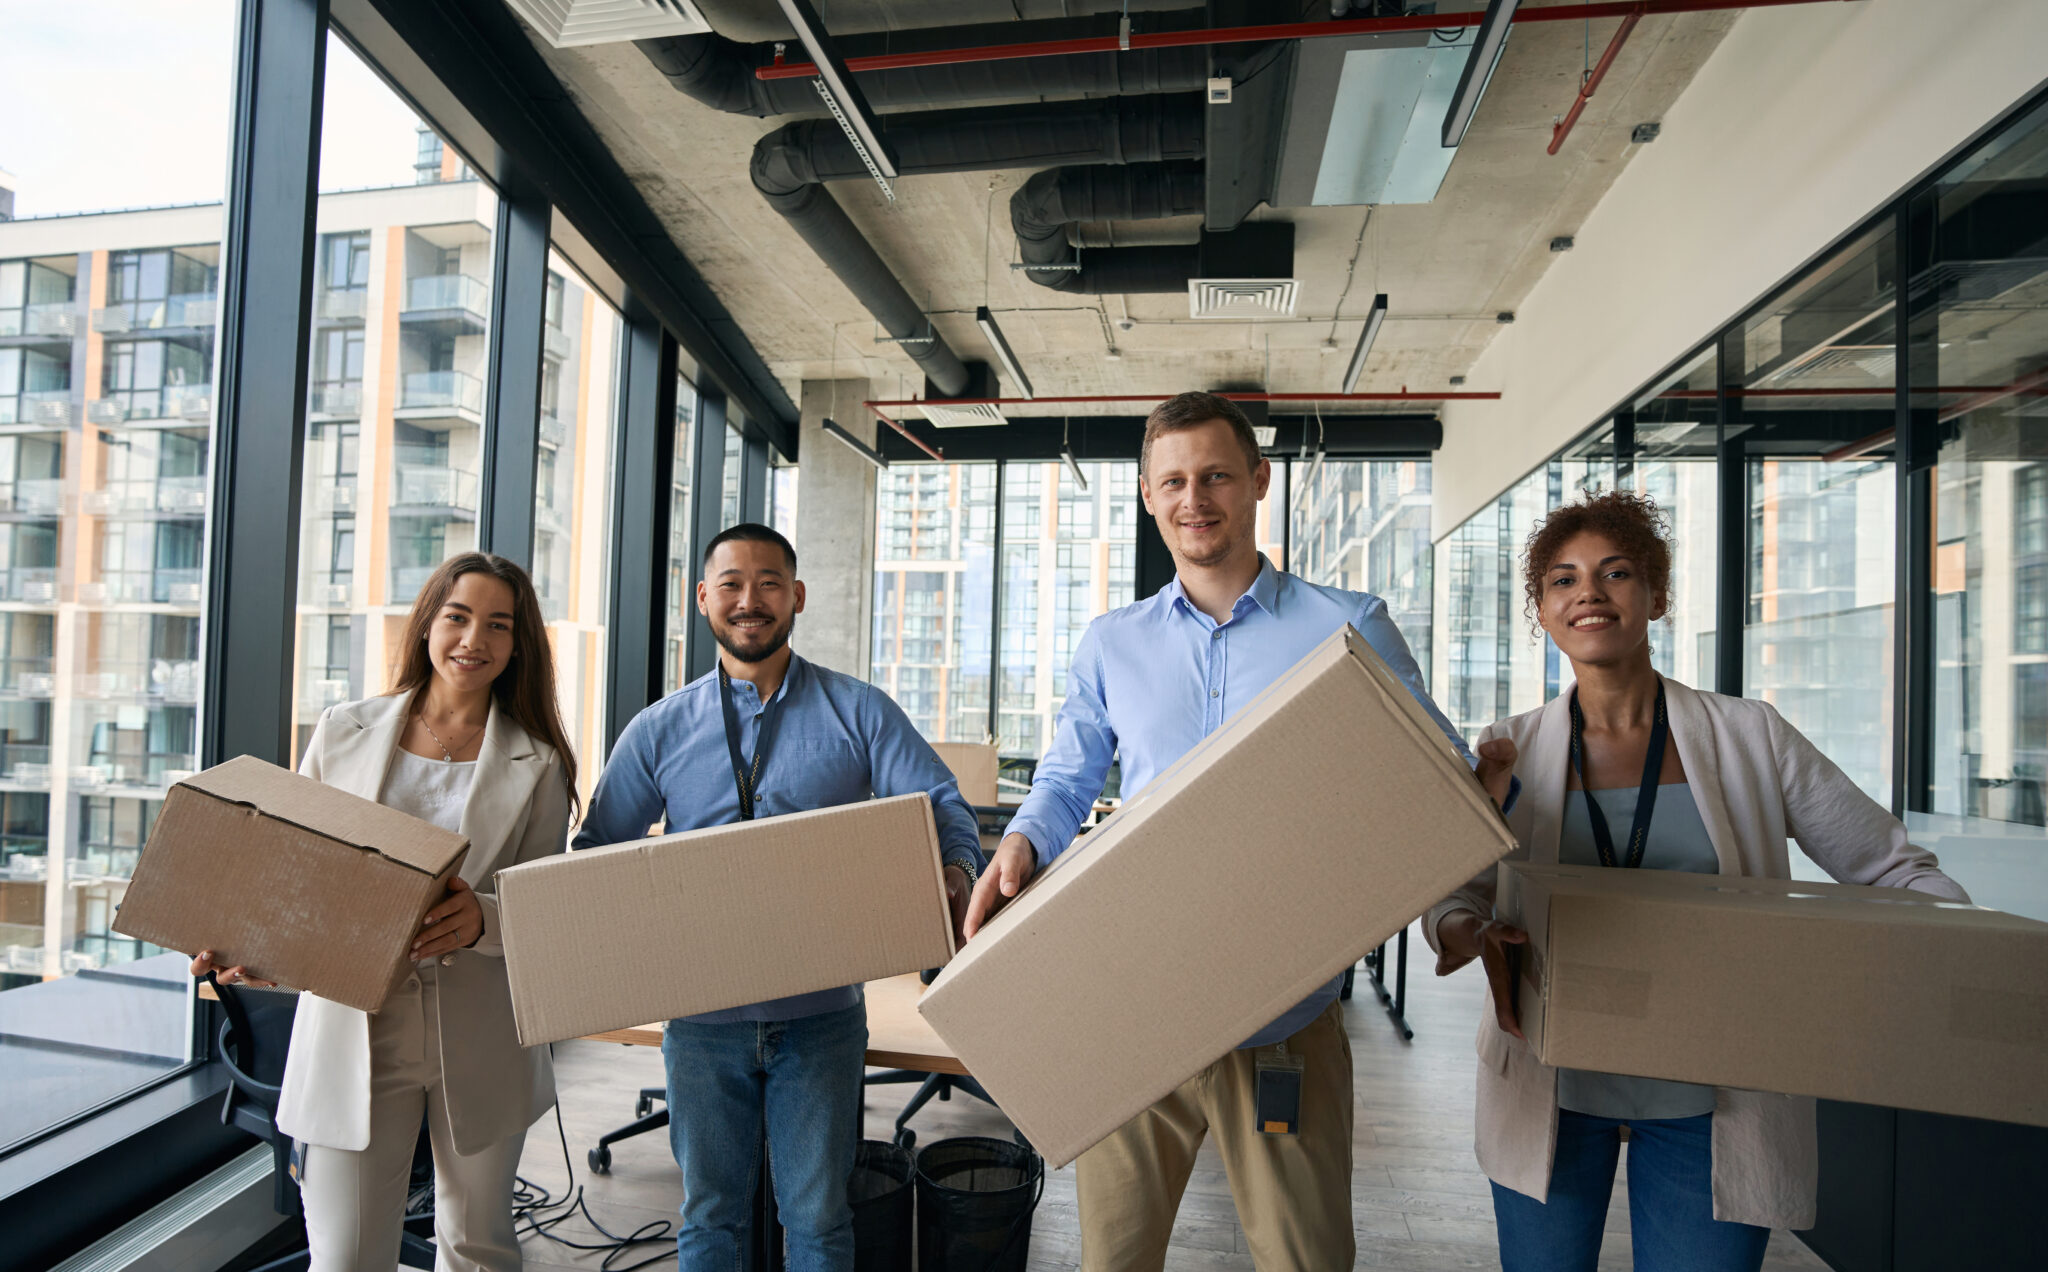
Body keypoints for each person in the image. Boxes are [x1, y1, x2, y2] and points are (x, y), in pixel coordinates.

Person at [962, 392, 1515, 1272]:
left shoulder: (1349, 625)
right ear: (1148, 497)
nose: (1195, 499)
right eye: (1173, 481)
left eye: (1216, 475)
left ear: (1258, 480)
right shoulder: (1113, 642)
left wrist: (1468, 803)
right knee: (1112, 1259)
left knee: (1306, 1259)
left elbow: (1433, 782)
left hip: (1285, 1016)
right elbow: (1068, 776)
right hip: (1135, 1010)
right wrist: (1024, 843)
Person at [1424, 489, 1967, 1271]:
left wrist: (1963, 972)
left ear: (1658, 594)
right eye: (1563, 580)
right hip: (1552, 1076)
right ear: (1541, 610)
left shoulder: (1750, 738)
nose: (1589, 594)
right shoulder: (1509, 751)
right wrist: (1474, 933)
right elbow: (1452, 895)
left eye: (1615, 574)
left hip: (1712, 1094)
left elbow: (1892, 865)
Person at [574, 522, 985, 1272]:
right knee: (709, 1220)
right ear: (704, 599)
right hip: (702, 1022)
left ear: (796, 596)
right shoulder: (658, 730)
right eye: (731, 583)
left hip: (820, 1017)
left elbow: (945, 809)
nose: (750, 600)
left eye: (768, 583)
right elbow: (597, 851)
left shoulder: (858, 712)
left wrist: (953, 874)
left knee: (820, 1220)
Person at [193, 553, 580, 1272]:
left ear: (518, 644)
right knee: (346, 1258)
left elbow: (545, 903)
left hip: (481, 1026)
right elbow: (290, 870)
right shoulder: (345, 730)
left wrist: (483, 920)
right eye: (458, 617)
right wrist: (246, 941)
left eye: (499, 625)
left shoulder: (540, 762)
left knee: (479, 1249)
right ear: (428, 623)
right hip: (355, 1024)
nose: (475, 639)